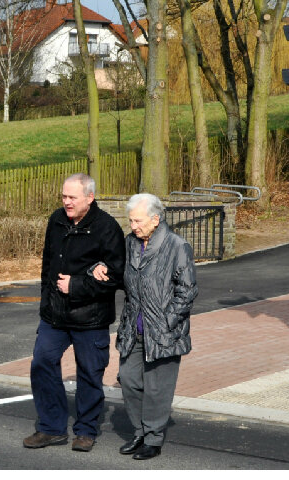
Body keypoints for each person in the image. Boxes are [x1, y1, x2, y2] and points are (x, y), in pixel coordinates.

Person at [23, 173, 125, 453]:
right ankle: (51, 427)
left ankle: (86, 430)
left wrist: (76, 285)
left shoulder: (107, 228)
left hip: (90, 317)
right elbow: (47, 264)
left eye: (72, 197)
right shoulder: (56, 220)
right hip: (54, 315)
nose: (66, 202)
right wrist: (47, 301)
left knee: (90, 373)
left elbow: (116, 275)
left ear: (89, 198)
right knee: (42, 363)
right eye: (64, 196)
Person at [104, 193, 197, 461]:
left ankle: (153, 438)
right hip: (134, 328)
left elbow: (187, 290)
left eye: (138, 220)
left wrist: (167, 321)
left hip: (164, 331)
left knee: (157, 388)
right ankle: (140, 432)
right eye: (131, 220)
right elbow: (120, 275)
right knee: (130, 380)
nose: (133, 225)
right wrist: (102, 270)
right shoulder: (130, 243)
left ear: (155, 219)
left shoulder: (177, 246)